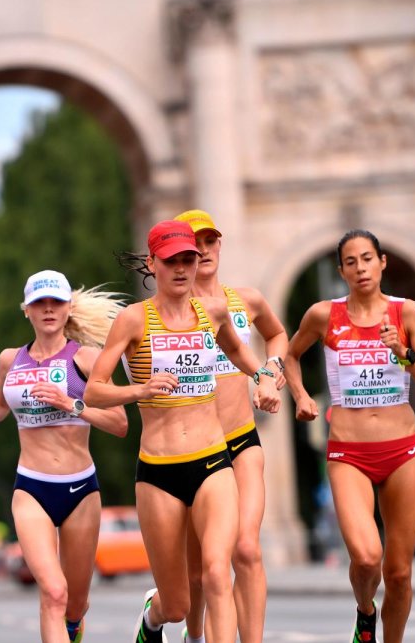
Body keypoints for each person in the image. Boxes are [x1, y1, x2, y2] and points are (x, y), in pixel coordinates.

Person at [85, 220, 281, 643]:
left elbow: (235, 349)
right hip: (159, 472)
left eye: (188, 259)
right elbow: (94, 391)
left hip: (214, 462)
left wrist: (264, 376)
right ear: (153, 263)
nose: (182, 268)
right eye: (172, 260)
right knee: (177, 604)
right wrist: (141, 389)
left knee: (216, 571)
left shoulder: (212, 311)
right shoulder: (133, 320)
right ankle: (152, 621)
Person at [283, 229, 415, 643]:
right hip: (348, 453)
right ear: (341, 270)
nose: (361, 268)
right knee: (368, 558)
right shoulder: (324, 315)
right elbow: (290, 354)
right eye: (351, 262)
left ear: (382, 262)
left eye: (368, 259)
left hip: (403, 450)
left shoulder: (407, 313)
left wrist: (404, 355)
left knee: (400, 572)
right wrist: (300, 396)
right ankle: (365, 611)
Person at [0, 270, 128, 643]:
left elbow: (119, 423)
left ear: (68, 307)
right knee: (53, 593)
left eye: (55, 302)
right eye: (39, 303)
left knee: (75, 605)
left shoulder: (87, 359)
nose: (47, 309)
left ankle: (73, 630)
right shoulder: (10, 360)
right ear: (25, 310)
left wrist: (71, 404)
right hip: (31, 488)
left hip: (80, 490)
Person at [173, 210, 287, 643]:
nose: (203, 250)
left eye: (210, 241)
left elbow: (277, 337)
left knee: (246, 548)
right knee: (201, 573)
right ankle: (194, 635)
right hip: (195, 449)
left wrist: (269, 374)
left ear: (220, 246)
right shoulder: (174, 313)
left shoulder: (246, 300)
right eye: (193, 243)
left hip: (241, 438)